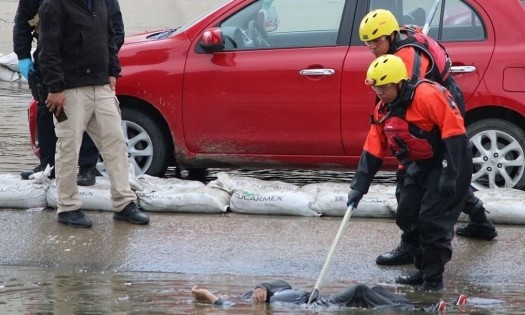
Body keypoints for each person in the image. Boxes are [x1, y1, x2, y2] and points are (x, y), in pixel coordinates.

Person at [358, 9, 497, 266]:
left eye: (377, 41)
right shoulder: (407, 33)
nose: (372, 47)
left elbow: (404, 101)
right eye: (368, 42)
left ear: (391, 35)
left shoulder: (407, 57)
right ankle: (480, 220)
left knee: (423, 175)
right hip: (437, 100)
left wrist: (403, 150)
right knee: (438, 173)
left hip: (436, 108)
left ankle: (411, 246)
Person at [347, 54, 472, 291]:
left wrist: (449, 173)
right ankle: (421, 269)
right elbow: (374, 147)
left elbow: (454, 135)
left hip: (450, 158)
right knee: (407, 215)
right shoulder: (383, 108)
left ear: (399, 83)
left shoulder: (427, 96)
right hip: (419, 163)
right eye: (376, 87)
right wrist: (358, 186)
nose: (379, 92)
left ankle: (433, 281)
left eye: (383, 87)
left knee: (432, 221)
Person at [38, 0, 149, 228]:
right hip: (70, 90)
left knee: (116, 143)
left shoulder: (99, 2)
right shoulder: (54, 5)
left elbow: (110, 37)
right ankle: (68, 207)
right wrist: (55, 87)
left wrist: (112, 72)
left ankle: (124, 203)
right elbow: (47, 48)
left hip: (101, 85)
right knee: (69, 147)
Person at [13, 0, 125, 186]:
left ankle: (87, 167)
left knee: (87, 117)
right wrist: (23, 55)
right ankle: (47, 165)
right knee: (47, 110)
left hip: (87, 68)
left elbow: (115, 31)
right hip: (51, 64)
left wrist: (109, 65)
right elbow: (23, 23)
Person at [191, 280, 448, 311]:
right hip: (316, 307)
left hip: (316, 297)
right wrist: (205, 295)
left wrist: (264, 287)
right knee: (359, 290)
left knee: (376, 291)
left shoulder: (257, 292)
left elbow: (282, 282)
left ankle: (423, 305)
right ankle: (422, 312)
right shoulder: (241, 302)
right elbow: (222, 305)